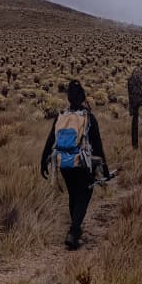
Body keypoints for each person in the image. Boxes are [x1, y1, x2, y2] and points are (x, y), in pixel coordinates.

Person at [40, 79, 110, 249]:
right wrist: (105, 168)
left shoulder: (61, 116)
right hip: (82, 163)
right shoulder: (88, 118)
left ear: (69, 97)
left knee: (73, 194)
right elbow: (97, 145)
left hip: (63, 162)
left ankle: (75, 229)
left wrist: (43, 161)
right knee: (85, 193)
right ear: (83, 96)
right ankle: (74, 230)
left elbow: (51, 140)